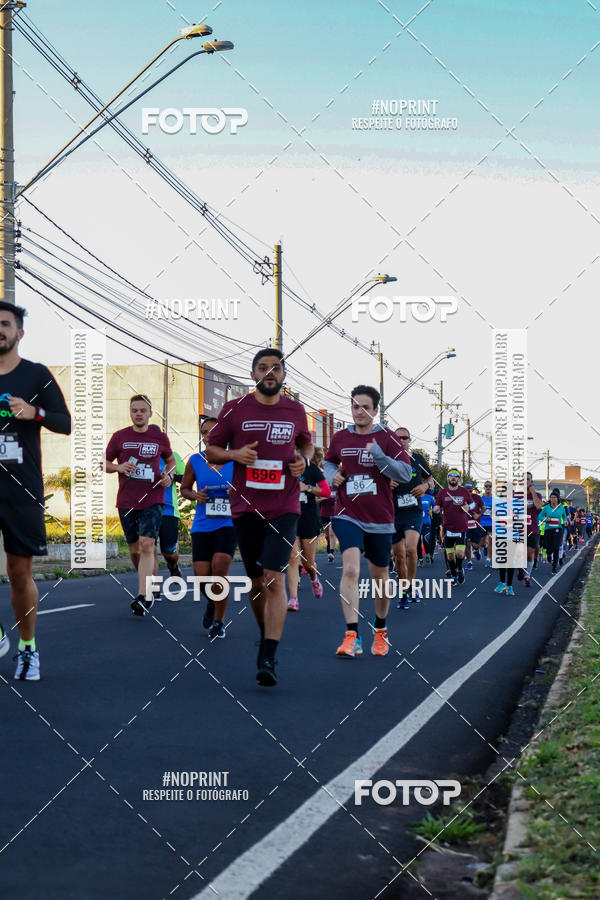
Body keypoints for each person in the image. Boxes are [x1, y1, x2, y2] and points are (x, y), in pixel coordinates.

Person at [205, 349, 312, 686]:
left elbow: (306, 445)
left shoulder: (295, 410)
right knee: (255, 582)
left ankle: (269, 653)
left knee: (274, 578)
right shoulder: (234, 409)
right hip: (246, 507)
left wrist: (304, 461)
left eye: (276, 368)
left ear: (284, 376)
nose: (270, 373)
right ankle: (266, 630)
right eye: (263, 368)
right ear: (253, 374)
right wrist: (236, 454)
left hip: (285, 506)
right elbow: (211, 450)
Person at [0, 301, 71, 680]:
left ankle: (27, 647)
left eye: (5, 324)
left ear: (19, 332)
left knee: (18, 572)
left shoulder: (36, 374)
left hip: (21, 488)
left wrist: (34, 413)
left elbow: (65, 422)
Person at [324, 385, 411, 657]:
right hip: (347, 512)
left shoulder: (387, 437)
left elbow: (405, 473)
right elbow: (328, 463)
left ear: (375, 410)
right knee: (350, 569)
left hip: (380, 516)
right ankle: (351, 635)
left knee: (379, 576)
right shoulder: (340, 437)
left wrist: (379, 456)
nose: (359, 412)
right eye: (354, 406)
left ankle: (380, 628)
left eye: (364, 407)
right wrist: (332, 477)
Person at [105, 395, 176, 615]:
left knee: (147, 545)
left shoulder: (160, 437)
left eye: (142, 410)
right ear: (130, 412)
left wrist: (168, 477)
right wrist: (119, 468)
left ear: (150, 413)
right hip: (127, 501)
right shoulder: (119, 437)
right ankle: (149, 583)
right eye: (134, 410)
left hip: (153, 499)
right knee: (135, 550)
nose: (138, 414)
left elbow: (171, 462)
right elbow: (104, 463)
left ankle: (144, 596)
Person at [180, 417, 236, 640]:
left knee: (219, 568)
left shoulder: (235, 460)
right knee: (202, 577)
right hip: (203, 524)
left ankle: (219, 622)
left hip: (228, 522)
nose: (209, 435)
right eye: (204, 432)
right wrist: (195, 495)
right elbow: (185, 489)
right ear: (201, 437)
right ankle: (213, 602)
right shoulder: (195, 460)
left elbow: (251, 489)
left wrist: (238, 492)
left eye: (214, 431)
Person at [390, 427, 433, 608]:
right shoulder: (387, 460)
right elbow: (374, 481)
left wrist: (425, 487)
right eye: (397, 437)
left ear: (409, 440)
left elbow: (430, 480)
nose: (401, 440)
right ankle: (404, 588)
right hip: (393, 512)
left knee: (410, 549)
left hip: (413, 511)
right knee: (399, 556)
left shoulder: (417, 459)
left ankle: (412, 584)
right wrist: (385, 482)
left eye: (404, 437)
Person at [286, 446, 330, 611]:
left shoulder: (312, 469)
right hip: (289, 516)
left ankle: (313, 578)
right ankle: (293, 598)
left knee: (308, 563)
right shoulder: (284, 467)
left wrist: (308, 488)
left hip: (308, 516)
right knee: (292, 556)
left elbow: (326, 492)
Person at [433, 470, 476, 586]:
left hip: (461, 527)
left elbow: (473, 504)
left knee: (460, 554)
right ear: (448, 478)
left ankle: (459, 568)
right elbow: (437, 506)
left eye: (456, 476)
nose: (453, 477)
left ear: (459, 479)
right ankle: (453, 575)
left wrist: (468, 507)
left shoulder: (464, 491)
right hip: (447, 527)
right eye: (451, 476)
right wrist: (436, 509)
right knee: (450, 555)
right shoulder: (442, 492)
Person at [156, 448, 185, 580]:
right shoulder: (142, 457)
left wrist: (171, 477)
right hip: (146, 509)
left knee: (169, 552)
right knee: (147, 548)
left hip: (168, 510)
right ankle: (152, 584)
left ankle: (173, 566)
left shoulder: (173, 456)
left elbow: (186, 478)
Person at [518, 471, 543, 587]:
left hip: (533, 529)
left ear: (531, 481)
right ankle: (520, 569)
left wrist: (532, 492)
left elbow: (538, 507)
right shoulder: (517, 495)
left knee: (530, 553)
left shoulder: (537, 495)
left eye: (528, 479)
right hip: (519, 529)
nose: (526, 481)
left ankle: (527, 576)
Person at [539, 490, 568, 573]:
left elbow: (564, 516)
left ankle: (554, 567)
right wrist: (546, 519)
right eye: (551, 497)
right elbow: (540, 516)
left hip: (558, 529)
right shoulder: (546, 507)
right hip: (548, 529)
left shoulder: (561, 507)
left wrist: (565, 521)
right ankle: (548, 554)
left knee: (556, 548)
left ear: (558, 499)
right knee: (548, 547)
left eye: (554, 497)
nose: (553, 499)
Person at [464, 483, 485, 570]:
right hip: (465, 524)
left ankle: (476, 550)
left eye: (470, 489)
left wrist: (478, 514)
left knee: (475, 545)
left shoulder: (477, 497)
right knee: (467, 543)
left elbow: (483, 508)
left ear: (472, 489)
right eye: (467, 489)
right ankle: (469, 562)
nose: (468, 491)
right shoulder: (461, 498)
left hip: (476, 524)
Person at [478, 480, 494, 567]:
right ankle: (485, 547)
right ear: (484, 487)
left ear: (492, 488)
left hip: (491, 523)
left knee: (491, 540)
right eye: (486, 486)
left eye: (490, 486)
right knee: (482, 543)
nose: (488, 487)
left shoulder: (495, 499)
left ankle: (488, 560)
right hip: (482, 522)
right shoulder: (480, 498)